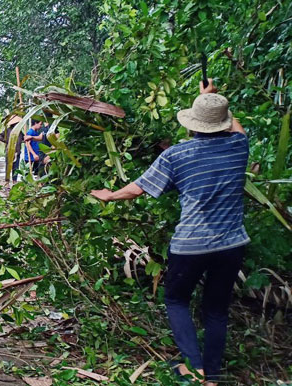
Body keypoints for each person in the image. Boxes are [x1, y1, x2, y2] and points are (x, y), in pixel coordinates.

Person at [90, 80, 248, 386]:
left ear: (192, 124)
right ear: (223, 124)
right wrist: (212, 100)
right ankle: (213, 376)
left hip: (190, 246)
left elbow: (137, 189)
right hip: (231, 245)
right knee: (216, 310)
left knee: (176, 301)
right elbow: (235, 128)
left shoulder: (177, 155)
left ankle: (195, 369)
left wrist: (109, 195)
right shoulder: (238, 146)